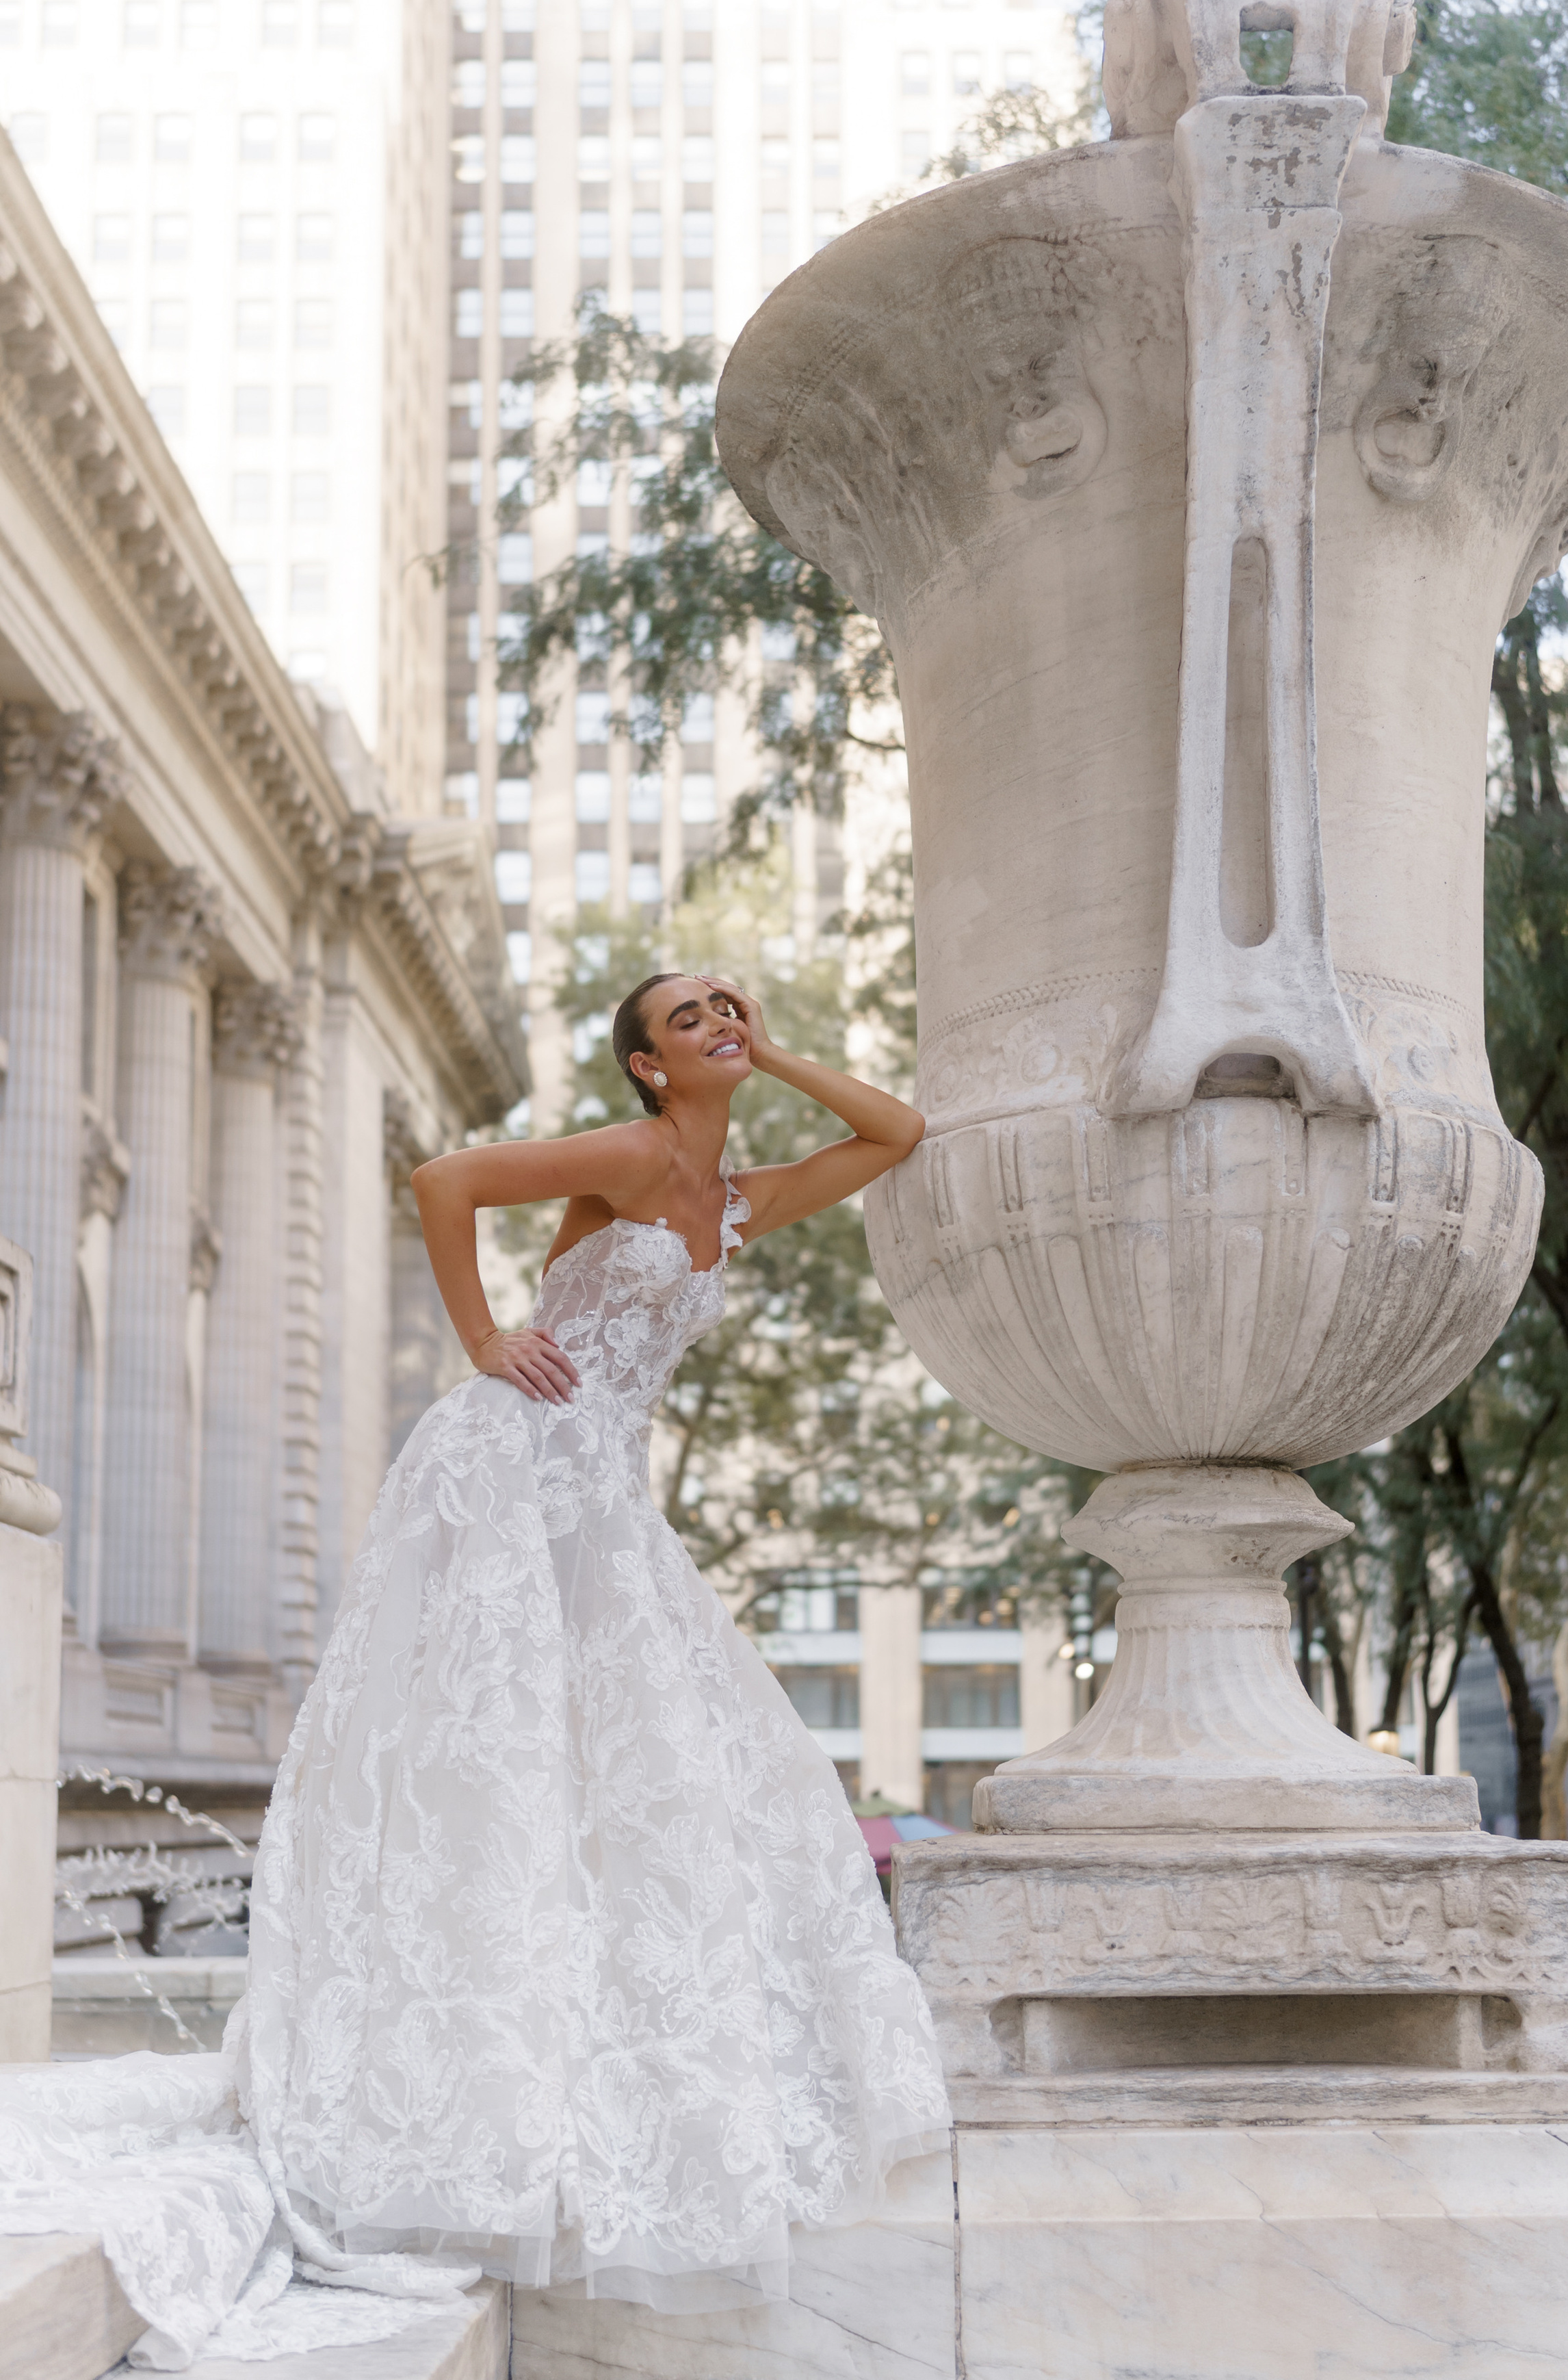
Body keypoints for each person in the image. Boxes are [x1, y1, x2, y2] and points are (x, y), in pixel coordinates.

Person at [0, 974, 950, 2364]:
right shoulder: (629, 1154)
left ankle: (576, 2077)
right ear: (641, 1063)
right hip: (510, 1468)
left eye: (729, 1006)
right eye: (690, 1017)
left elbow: (896, 1134)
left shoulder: (729, 1195)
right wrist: (483, 1339)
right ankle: (462, 2094)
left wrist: (782, 1052)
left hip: (602, 1495)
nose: (720, 1020)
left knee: (634, 1762)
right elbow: (442, 1178)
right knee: (495, 1754)